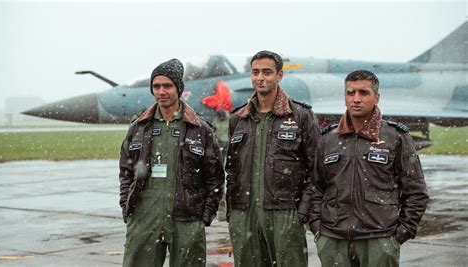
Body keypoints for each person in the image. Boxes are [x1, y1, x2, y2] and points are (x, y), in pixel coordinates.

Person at [309, 70, 429, 267]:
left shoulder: (395, 137)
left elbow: (416, 191)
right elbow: (316, 187)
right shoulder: (328, 138)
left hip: (378, 239)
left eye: (364, 93)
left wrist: (399, 234)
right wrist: (318, 229)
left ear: (377, 97)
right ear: (344, 97)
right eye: (351, 93)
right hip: (333, 240)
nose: (356, 99)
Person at [119, 58, 225, 266]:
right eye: (156, 86)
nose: (161, 91)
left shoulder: (200, 129)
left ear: (179, 88)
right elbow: (126, 172)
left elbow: (215, 177)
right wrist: (127, 206)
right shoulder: (139, 128)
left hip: (187, 219)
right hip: (144, 216)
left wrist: (205, 216)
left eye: (167, 85)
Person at [225, 50, 320, 266]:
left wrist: (302, 212)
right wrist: (234, 213)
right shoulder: (238, 119)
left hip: (285, 212)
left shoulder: (300, 116)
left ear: (279, 75)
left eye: (267, 72)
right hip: (244, 213)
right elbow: (231, 169)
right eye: (256, 72)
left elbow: (316, 169)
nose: (260, 77)